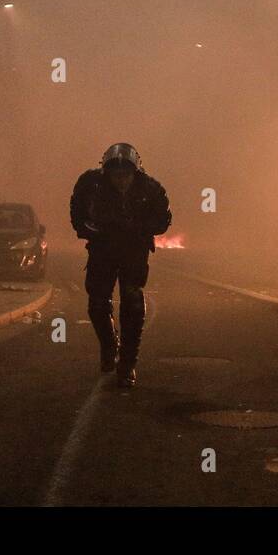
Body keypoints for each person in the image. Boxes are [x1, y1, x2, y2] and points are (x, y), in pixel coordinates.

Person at [69, 143, 171, 388]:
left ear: (134, 172)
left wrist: (137, 228)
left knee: (132, 302)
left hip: (133, 250)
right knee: (97, 303)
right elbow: (77, 212)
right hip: (102, 248)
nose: (121, 180)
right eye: (116, 174)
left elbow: (163, 220)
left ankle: (127, 363)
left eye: (126, 174)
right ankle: (108, 345)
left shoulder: (150, 189)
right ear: (107, 173)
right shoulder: (91, 184)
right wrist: (91, 230)